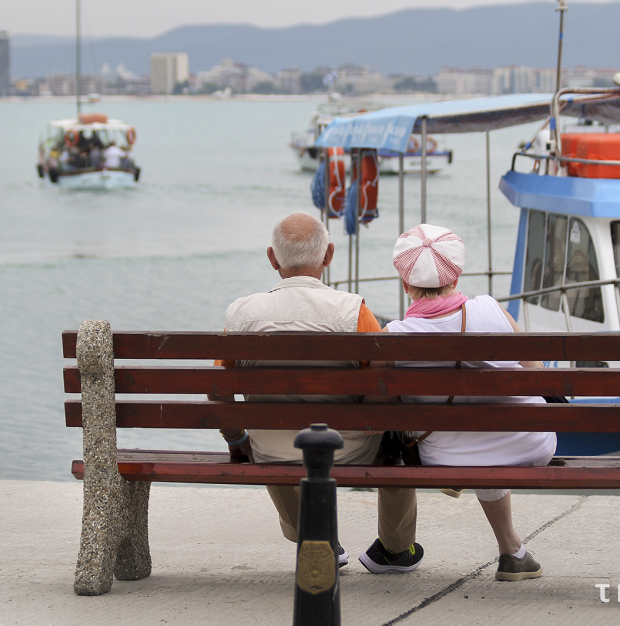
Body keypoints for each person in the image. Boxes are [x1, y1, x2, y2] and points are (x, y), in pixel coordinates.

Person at [210, 212, 422, 573]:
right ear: (329, 255)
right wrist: (371, 423)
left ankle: (313, 534)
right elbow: (384, 389)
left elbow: (218, 393)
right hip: (347, 448)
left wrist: (237, 439)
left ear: (272, 258)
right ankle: (395, 549)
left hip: (270, 450)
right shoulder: (355, 313)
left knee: (270, 445)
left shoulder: (241, 315)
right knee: (394, 445)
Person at [383, 223, 557, 581]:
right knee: (488, 427)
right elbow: (538, 374)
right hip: (530, 442)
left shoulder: (394, 337)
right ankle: (512, 552)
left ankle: (511, 549)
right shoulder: (491, 310)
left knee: (471, 435)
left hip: (444, 454)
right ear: (457, 275)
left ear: (405, 283)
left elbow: (384, 404)